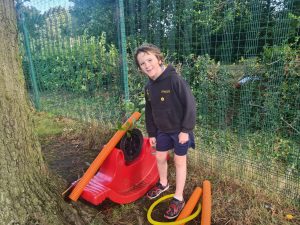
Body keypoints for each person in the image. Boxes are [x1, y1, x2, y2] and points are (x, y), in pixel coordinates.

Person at [134, 43, 196, 219]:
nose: (147, 65)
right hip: (161, 131)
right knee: (160, 157)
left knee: (178, 161)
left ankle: (178, 197)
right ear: (140, 68)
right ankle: (163, 184)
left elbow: (190, 105)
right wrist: (152, 133)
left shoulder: (174, 80)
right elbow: (149, 111)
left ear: (159, 59)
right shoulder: (148, 88)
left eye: (149, 60)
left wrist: (186, 130)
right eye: (142, 63)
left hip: (180, 131)